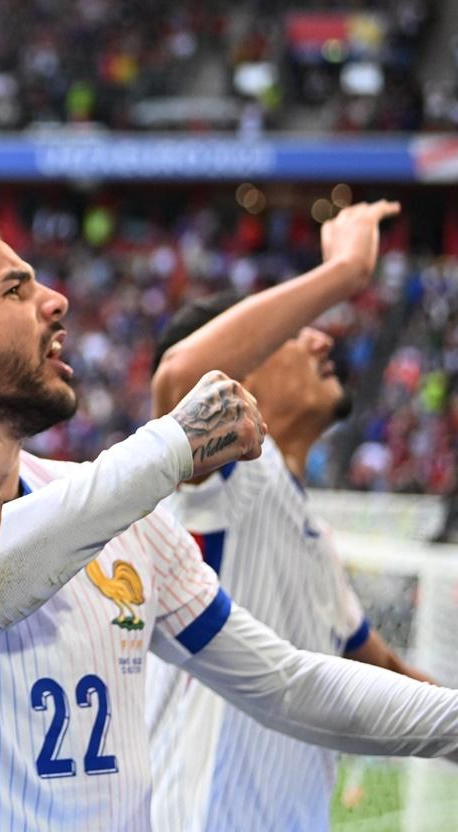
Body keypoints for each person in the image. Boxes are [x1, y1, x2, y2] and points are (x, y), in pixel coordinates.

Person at [0, 208, 458, 831]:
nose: (56, 301)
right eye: (16, 290)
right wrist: (169, 447)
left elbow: (286, 685)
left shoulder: (117, 510)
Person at [146, 200, 433, 832]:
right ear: (234, 381)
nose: (320, 335)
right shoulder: (236, 477)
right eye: (288, 331)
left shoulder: (307, 528)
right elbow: (179, 377)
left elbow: (384, 671)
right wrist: (346, 271)